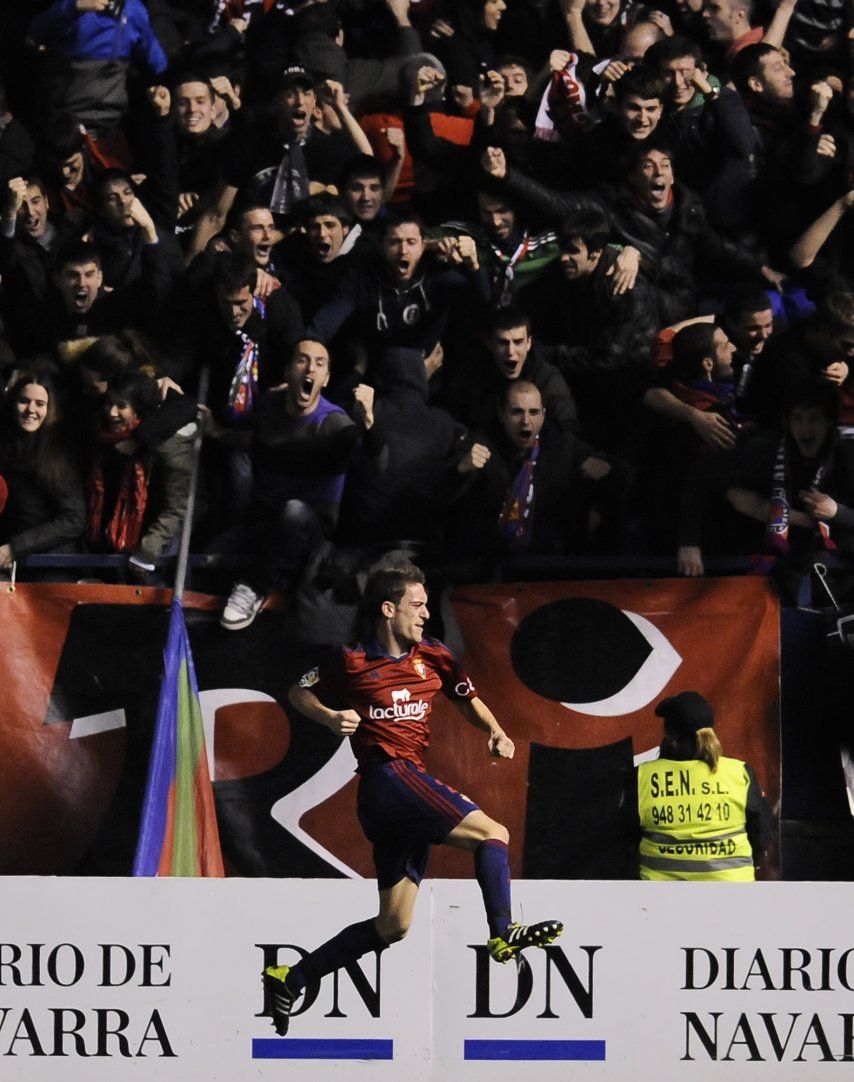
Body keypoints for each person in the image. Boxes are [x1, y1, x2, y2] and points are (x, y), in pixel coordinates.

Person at [262, 563, 563, 1035]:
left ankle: (292, 977)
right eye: (417, 605)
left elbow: (465, 697)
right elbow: (298, 691)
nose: (425, 615)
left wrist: (495, 729)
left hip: (394, 796)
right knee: (494, 833)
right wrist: (326, 716)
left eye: (426, 605)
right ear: (389, 609)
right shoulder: (351, 660)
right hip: (387, 778)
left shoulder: (434, 656)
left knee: (394, 926)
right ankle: (503, 935)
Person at [636, 691, 772, 880]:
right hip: (733, 892)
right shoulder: (739, 772)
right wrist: (754, 862)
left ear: (670, 734)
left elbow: (624, 838)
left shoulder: (643, 776)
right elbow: (760, 830)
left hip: (660, 898)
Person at [0, 370, 85, 578]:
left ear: (49, 409)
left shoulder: (58, 453)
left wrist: (16, 547)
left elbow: (74, 519)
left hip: (50, 561)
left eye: (39, 404)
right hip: (7, 557)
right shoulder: (5, 444)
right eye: (24, 401)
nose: (31, 409)